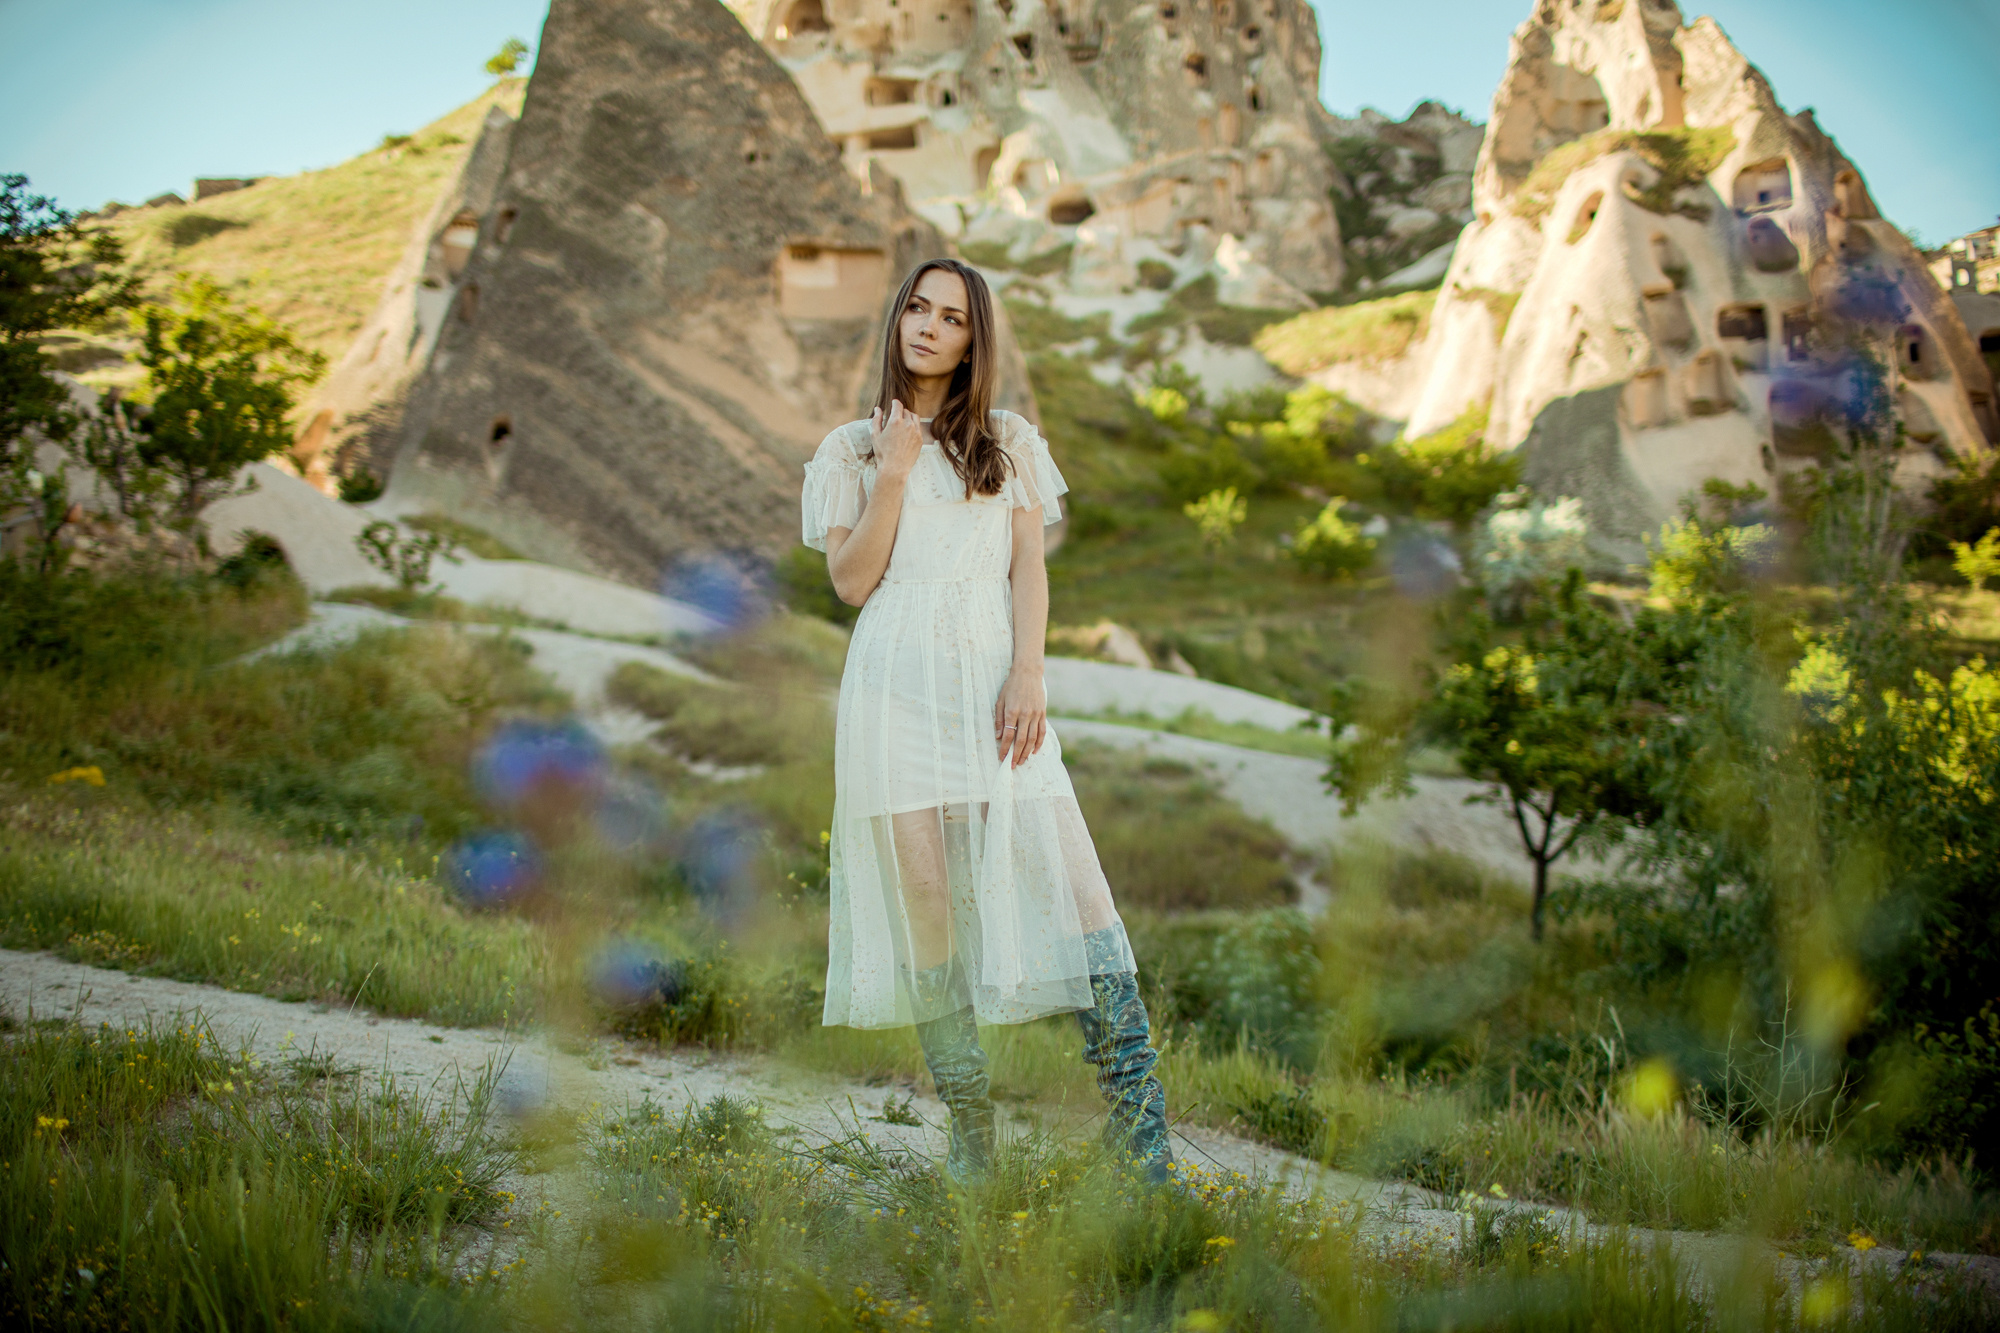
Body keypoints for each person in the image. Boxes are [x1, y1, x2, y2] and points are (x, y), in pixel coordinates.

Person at [801, 258, 1174, 1187]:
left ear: (974, 341)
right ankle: (972, 1137)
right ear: (898, 319)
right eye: (917, 308)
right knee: (929, 910)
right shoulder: (850, 449)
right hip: (892, 693)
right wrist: (893, 471)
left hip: (993, 687)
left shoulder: (1007, 440)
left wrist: (1030, 670)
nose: (928, 326)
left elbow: (1028, 568)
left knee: (1081, 892)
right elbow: (851, 583)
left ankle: (1144, 1142)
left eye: (952, 317)